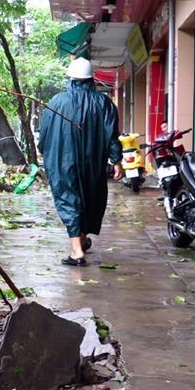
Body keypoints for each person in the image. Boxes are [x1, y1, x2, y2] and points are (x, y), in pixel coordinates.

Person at [38, 57, 123, 266]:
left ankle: (77, 251)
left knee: (69, 200)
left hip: (62, 160)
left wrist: (45, 154)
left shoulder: (57, 101)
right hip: (93, 162)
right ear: (91, 79)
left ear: (70, 78)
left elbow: (44, 133)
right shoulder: (104, 103)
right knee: (89, 199)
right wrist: (116, 160)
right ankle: (81, 241)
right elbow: (112, 134)